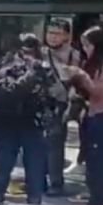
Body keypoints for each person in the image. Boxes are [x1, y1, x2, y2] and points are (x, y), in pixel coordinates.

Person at [0, 34, 57, 205]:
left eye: (33, 49)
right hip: (7, 123)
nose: (30, 54)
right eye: (26, 50)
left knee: (35, 167)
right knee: (4, 165)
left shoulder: (42, 67)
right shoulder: (6, 66)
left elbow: (56, 93)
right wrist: (31, 73)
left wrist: (53, 115)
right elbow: (10, 90)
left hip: (33, 123)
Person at [65, 26, 103, 205]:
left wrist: (82, 76)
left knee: (100, 162)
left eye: (88, 45)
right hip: (89, 115)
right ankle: (94, 202)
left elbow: (100, 92)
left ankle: (97, 203)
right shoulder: (93, 63)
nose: (85, 49)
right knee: (90, 161)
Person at [41, 19, 81, 196]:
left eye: (57, 33)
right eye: (50, 33)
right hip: (41, 102)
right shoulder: (41, 53)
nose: (52, 37)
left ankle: (56, 183)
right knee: (37, 143)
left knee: (55, 144)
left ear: (66, 35)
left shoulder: (76, 56)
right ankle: (38, 179)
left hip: (62, 103)